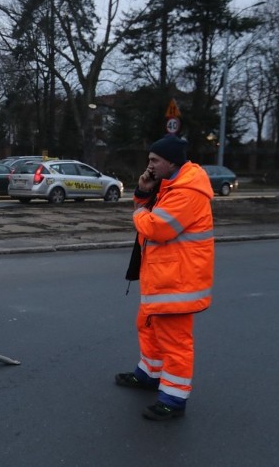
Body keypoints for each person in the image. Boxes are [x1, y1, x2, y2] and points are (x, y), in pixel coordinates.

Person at [115, 134, 215, 421]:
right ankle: (150, 374)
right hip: (162, 279)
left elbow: (157, 228)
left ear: (172, 161)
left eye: (155, 160)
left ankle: (173, 399)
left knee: (176, 343)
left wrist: (138, 210)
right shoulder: (172, 185)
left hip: (178, 284)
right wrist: (144, 193)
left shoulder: (188, 191)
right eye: (150, 160)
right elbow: (152, 214)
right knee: (147, 326)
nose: (150, 165)